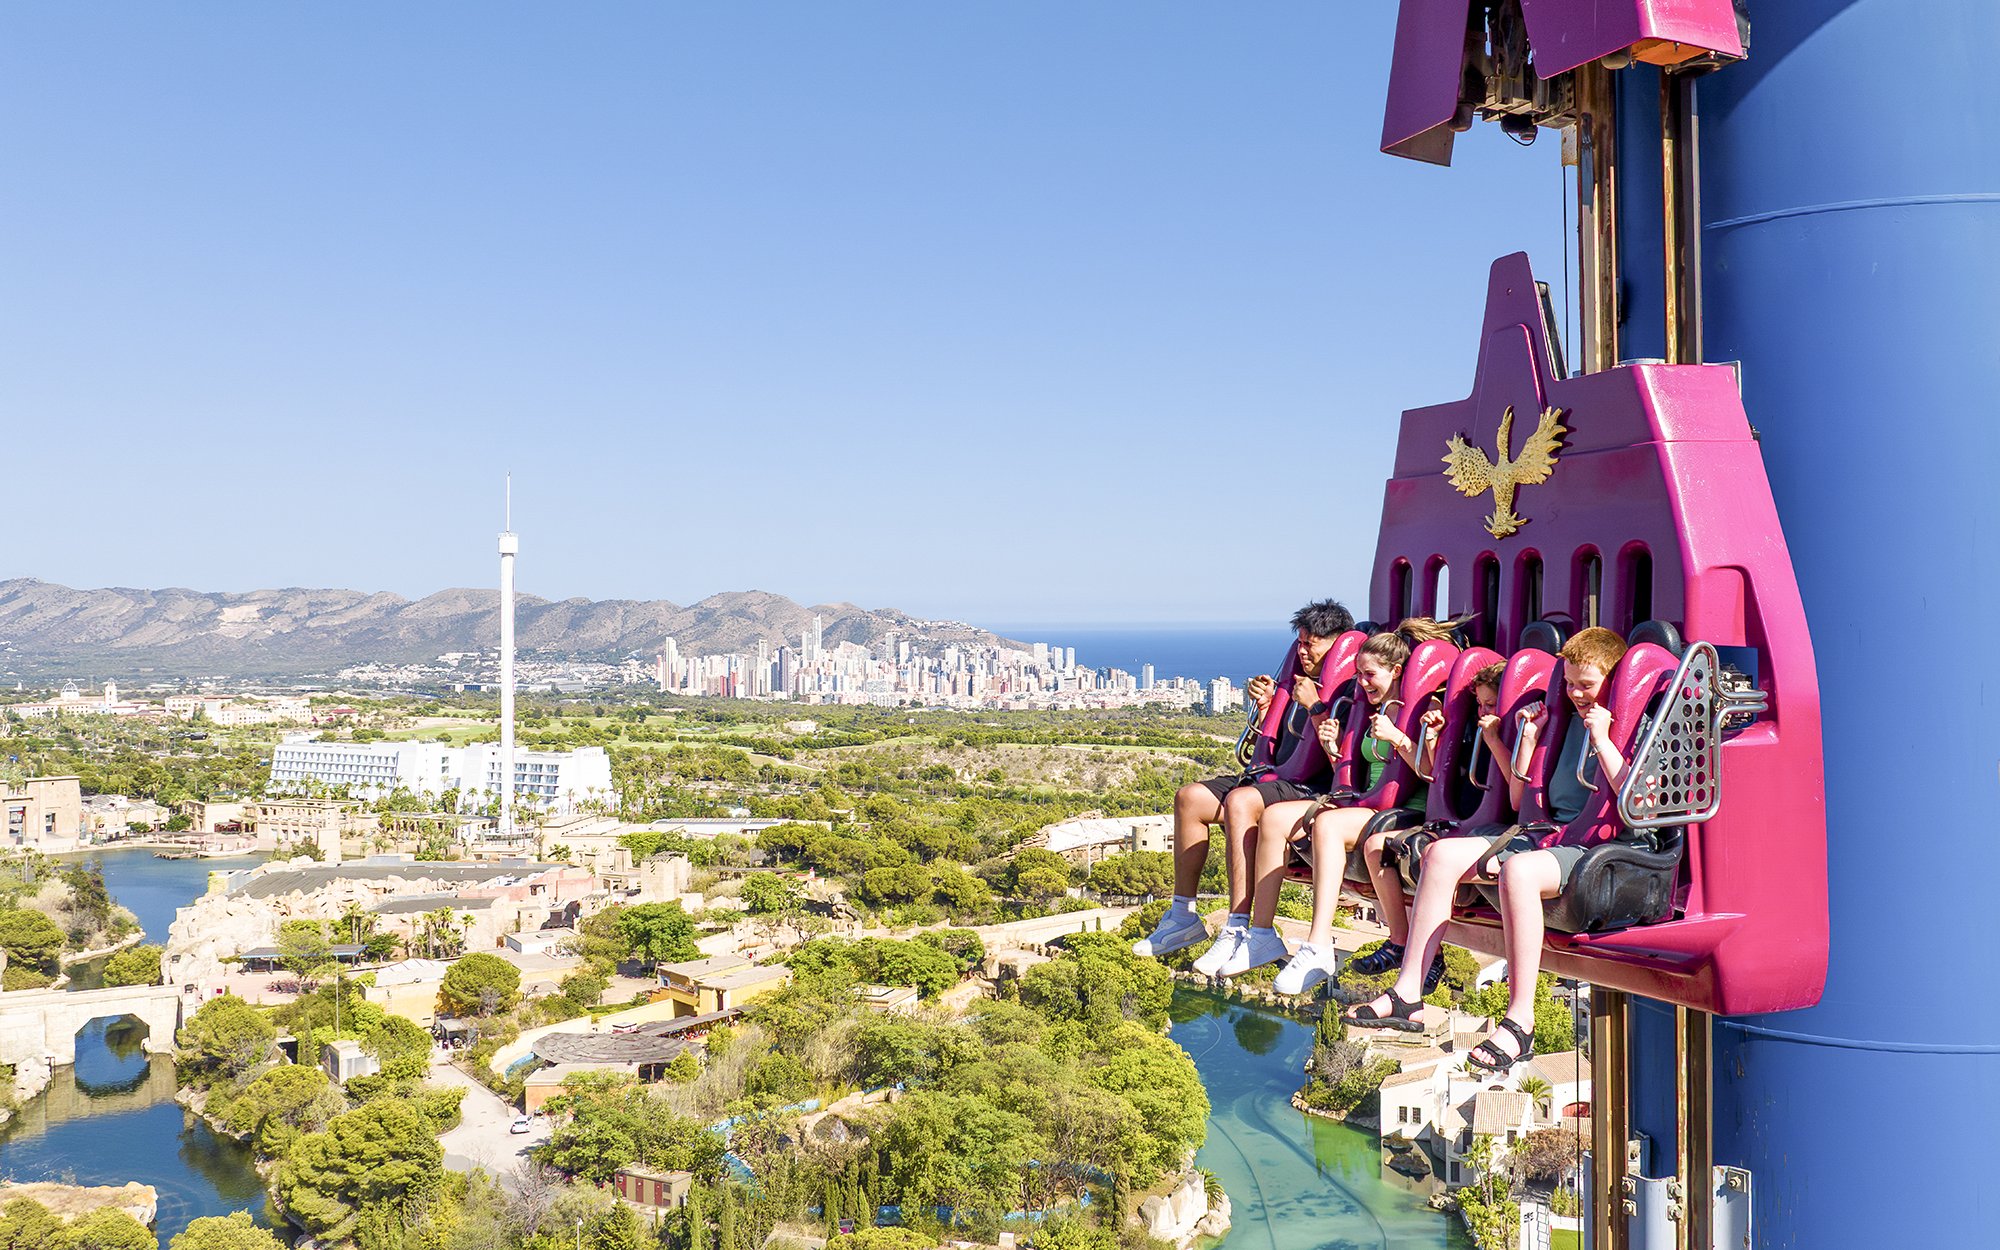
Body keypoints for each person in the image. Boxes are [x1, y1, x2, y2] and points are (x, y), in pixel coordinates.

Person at [1342, 628, 1636, 1072]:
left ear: (1612, 680)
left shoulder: (1627, 723)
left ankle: (1520, 1021)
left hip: (1591, 846)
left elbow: (1639, 800)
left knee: (1517, 871)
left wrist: (1605, 741)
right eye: (1570, 683)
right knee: (1439, 856)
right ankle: (1409, 993)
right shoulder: (1562, 719)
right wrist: (1529, 739)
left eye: (1586, 685)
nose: (1575, 693)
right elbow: (1520, 800)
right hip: (1541, 832)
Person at [1225, 618, 1461, 985]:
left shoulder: (1423, 708)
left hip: (1407, 808)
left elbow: (1431, 774)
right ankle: (1259, 933)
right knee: (1273, 818)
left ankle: (1318, 943)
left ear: (1397, 671)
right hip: (1367, 802)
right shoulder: (1374, 708)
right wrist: (1334, 748)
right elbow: (1358, 771)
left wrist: (1402, 738)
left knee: (1329, 824)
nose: (1362, 683)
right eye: (1359, 675)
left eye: (1370, 675)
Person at [1132, 599, 1355, 967]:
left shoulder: (1344, 693)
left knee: (1240, 801)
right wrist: (1267, 706)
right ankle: (1183, 914)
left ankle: (1237, 928)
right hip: (1273, 775)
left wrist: (1316, 706)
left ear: (1336, 643)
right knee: (1190, 798)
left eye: (1311, 642)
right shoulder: (1295, 683)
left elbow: (1340, 759)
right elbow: (1278, 739)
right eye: (1299, 642)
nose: (1302, 650)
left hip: (1308, 786)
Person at [1340, 661, 1511, 990]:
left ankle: (1426, 961)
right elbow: (1436, 774)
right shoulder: (1472, 732)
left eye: (1491, 705)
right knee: (1379, 847)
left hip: (1489, 827)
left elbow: (1516, 794)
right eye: (1479, 704)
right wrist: (1434, 739)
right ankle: (1401, 942)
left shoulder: (1509, 734)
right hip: (1457, 817)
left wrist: (1494, 741)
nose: (1483, 712)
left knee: (1435, 855)